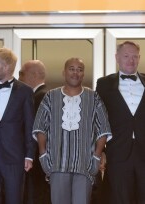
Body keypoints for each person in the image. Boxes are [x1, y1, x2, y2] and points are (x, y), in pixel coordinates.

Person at [33, 58, 111, 204]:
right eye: (72, 68)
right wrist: (43, 154)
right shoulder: (50, 96)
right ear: (64, 72)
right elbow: (40, 127)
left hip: (85, 166)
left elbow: (103, 130)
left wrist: (96, 157)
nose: (76, 73)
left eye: (80, 69)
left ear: (83, 74)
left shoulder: (94, 97)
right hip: (57, 165)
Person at [0, 47, 35, 204]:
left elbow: (29, 124)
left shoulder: (25, 91)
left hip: (14, 156)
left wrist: (29, 155)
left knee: (14, 199)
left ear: (7, 66)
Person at [96, 40, 145, 203]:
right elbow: (98, 119)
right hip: (117, 152)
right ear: (117, 58)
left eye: (135, 56)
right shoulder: (103, 84)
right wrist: (100, 149)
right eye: (126, 56)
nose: (131, 60)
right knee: (119, 198)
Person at [19, 60, 50, 204]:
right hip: (42, 162)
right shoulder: (47, 95)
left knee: (35, 197)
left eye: (21, 74)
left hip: (37, 161)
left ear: (33, 75)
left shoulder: (37, 98)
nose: (19, 78)